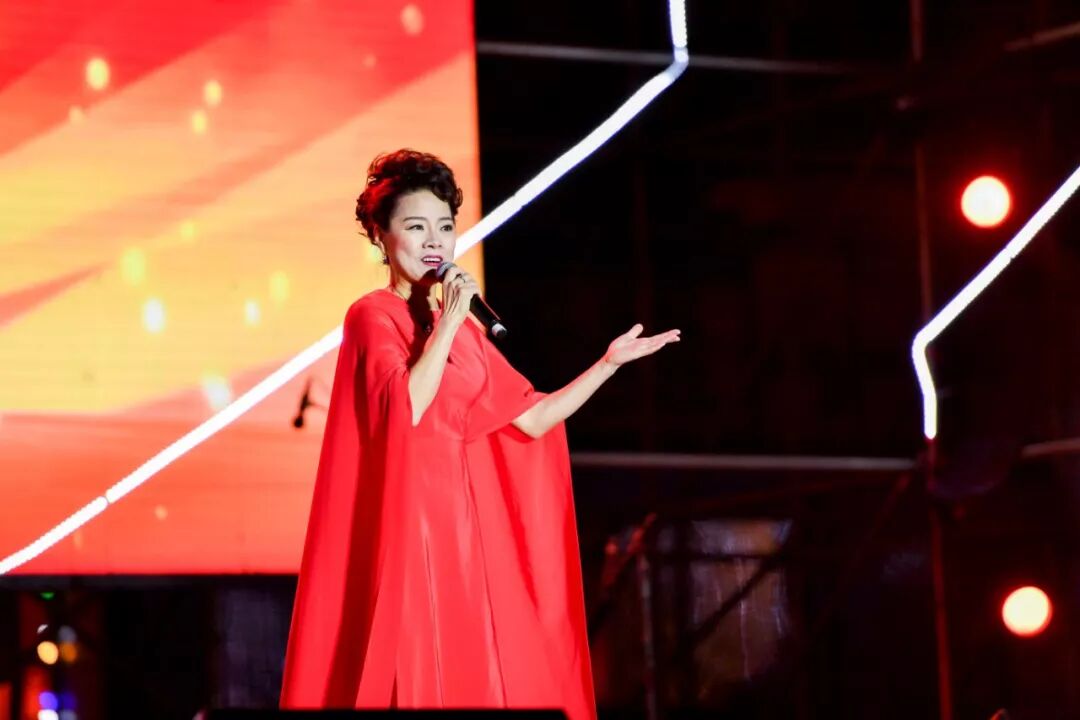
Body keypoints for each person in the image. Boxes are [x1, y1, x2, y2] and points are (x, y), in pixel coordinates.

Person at [279, 149, 680, 718]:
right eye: (416, 227)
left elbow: (532, 417)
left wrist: (607, 365)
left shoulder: (463, 330)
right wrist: (448, 321)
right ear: (380, 235)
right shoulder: (373, 315)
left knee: (485, 672)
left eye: (444, 227)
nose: (434, 241)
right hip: (411, 521)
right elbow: (405, 407)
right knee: (419, 668)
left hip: (469, 525)